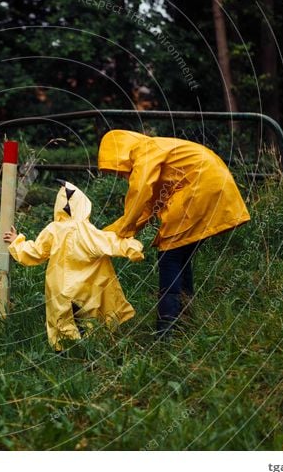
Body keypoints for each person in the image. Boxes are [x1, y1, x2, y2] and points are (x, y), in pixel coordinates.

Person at [97, 130, 250, 336]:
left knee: (170, 258)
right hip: (210, 186)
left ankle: (165, 331)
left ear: (120, 153)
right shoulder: (159, 152)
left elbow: (140, 191)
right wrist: (108, 234)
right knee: (180, 256)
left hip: (198, 189)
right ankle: (185, 322)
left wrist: (123, 230)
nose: (121, 175)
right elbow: (147, 208)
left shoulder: (145, 151)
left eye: (118, 169)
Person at [3, 180, 144, 350]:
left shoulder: (53, 229)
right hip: (86, 288)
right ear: (82, 204)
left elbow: (35, 252)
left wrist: (17, 242)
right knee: (92, 320)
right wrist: (133, 248)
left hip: (60, 287)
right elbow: (111, 241)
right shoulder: (87, 230)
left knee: (62, 321)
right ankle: (93, 350)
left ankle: (66, 351)